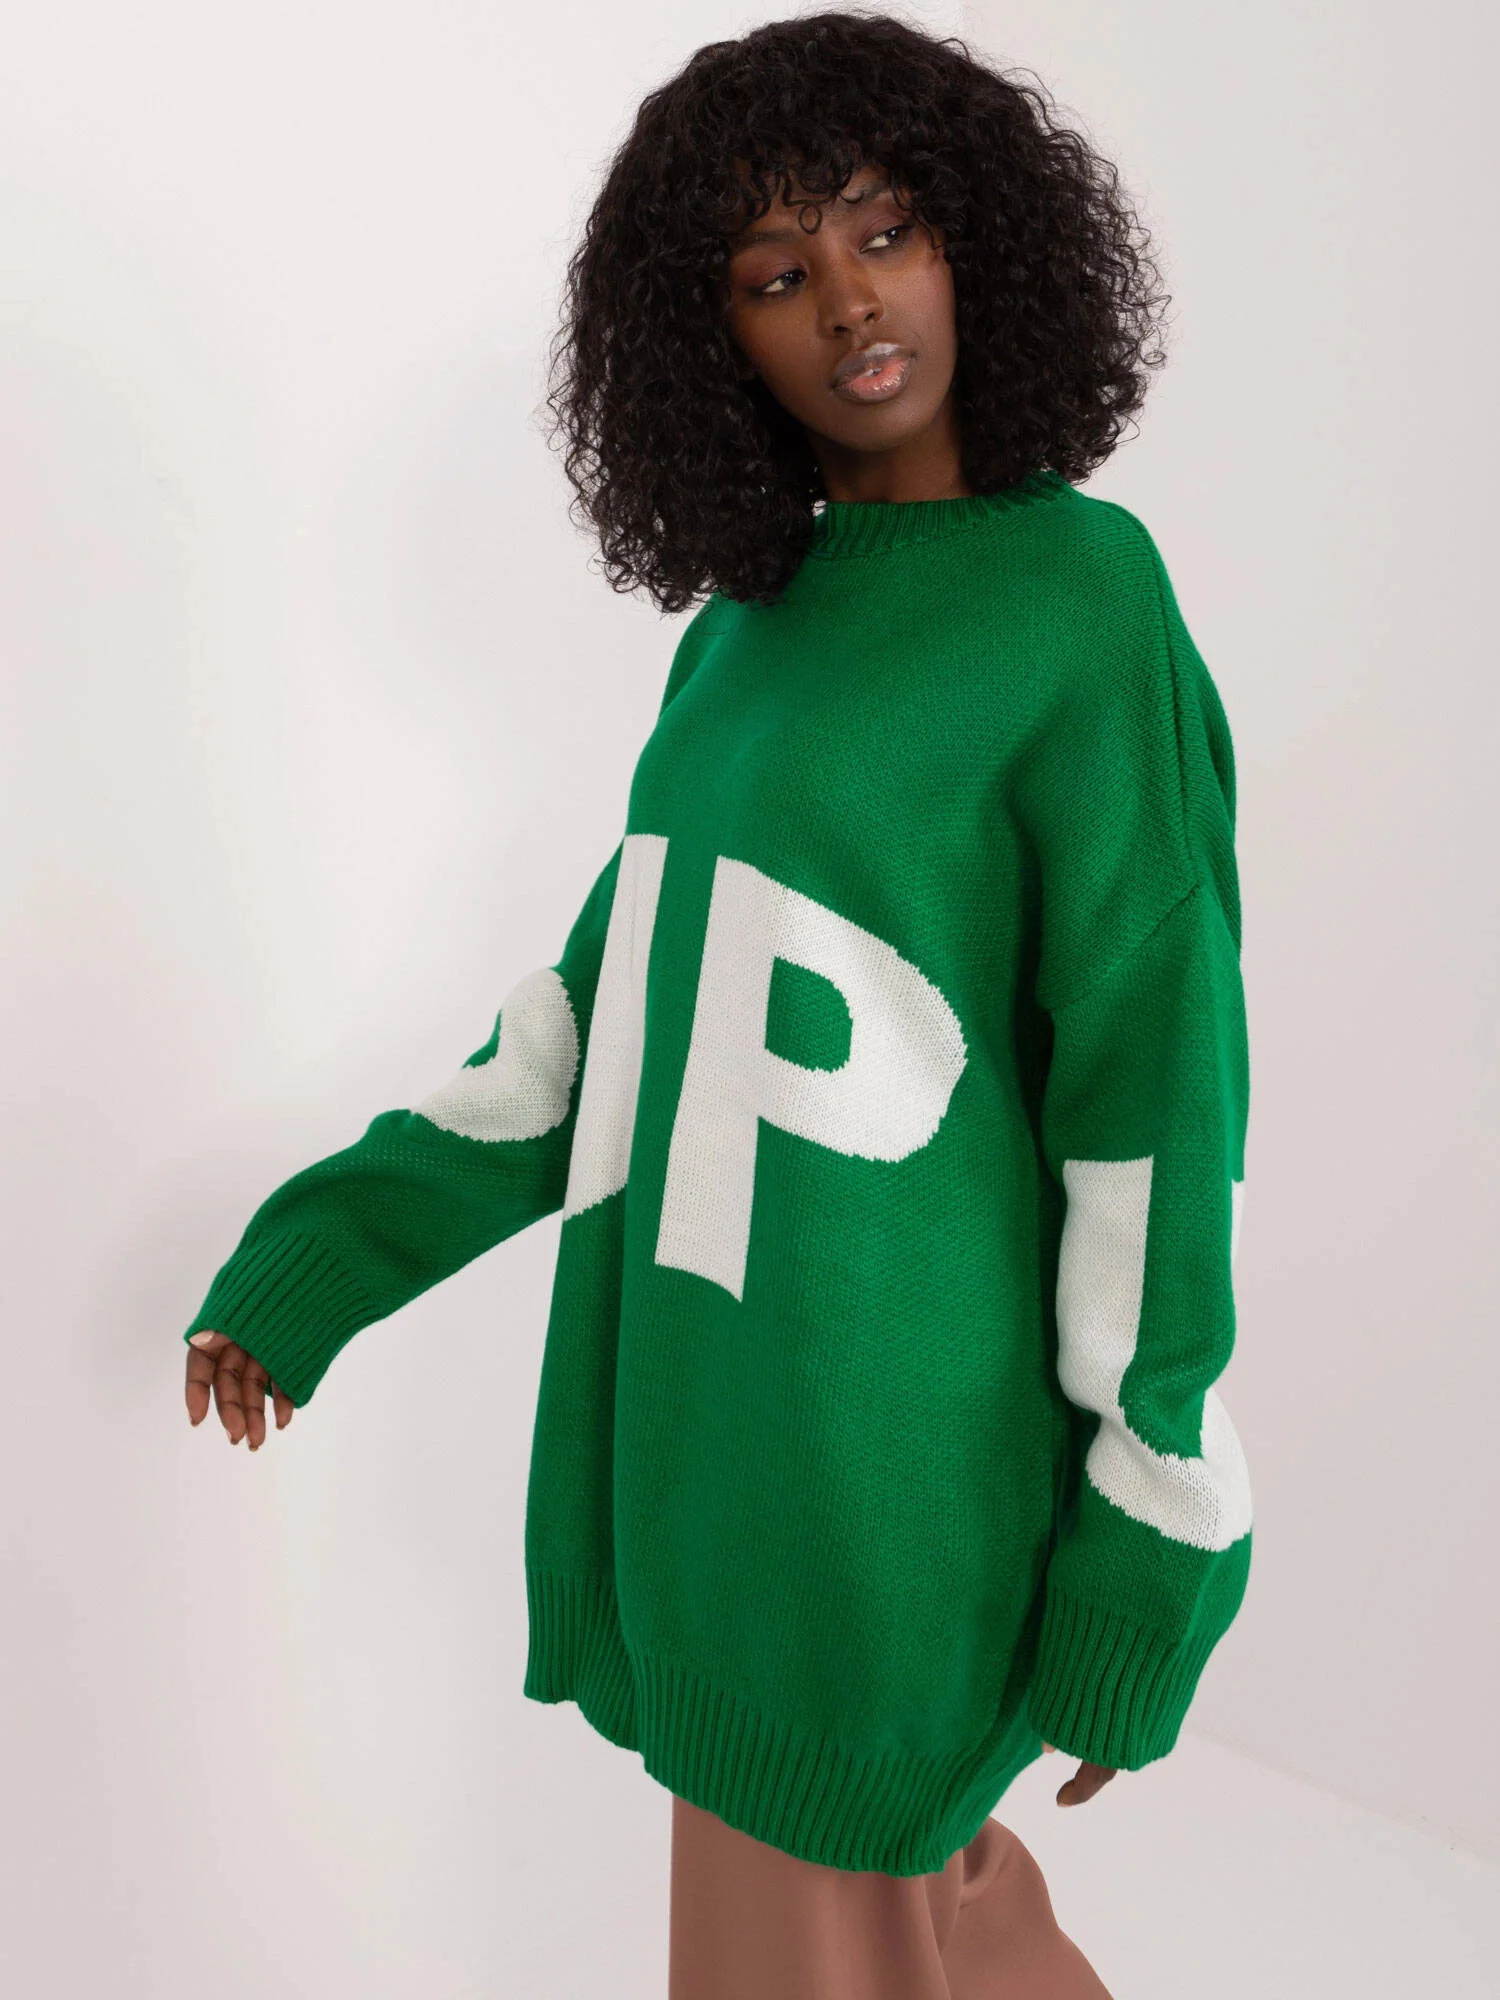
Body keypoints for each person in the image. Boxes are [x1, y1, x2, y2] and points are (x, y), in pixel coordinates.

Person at [181, 12, 1253, 1996]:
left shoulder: (1085, 606)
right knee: (914, 1910)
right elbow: (605, 1027)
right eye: (775, 272)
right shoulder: (744, 633)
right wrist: (325, 1258)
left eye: (885, 230)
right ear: (712, 341)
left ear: (979, 243)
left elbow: (1156, 1102)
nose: (847, 300)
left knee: (816, 1925)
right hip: (710, 1434)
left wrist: (1151, 1529)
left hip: (892, 1473)